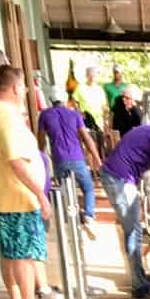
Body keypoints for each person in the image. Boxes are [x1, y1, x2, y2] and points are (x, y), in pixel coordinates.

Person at [0, 63, 52, 299]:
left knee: (8, 250)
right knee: (24, 253)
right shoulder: (6, 116)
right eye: (24, 87)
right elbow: (16, 161)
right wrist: (40, 194)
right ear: (15, 87)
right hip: (17, 196)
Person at [99, 116, 150, 299]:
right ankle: (140, 288)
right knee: (134, 232)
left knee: (134, 231)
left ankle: (142, 280)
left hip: (119, 176)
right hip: (120, 179)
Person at [38, 96, 100, 240]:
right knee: (88, 188)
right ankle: (89, 216)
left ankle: (68, 223)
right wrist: (97, 159)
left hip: (60, 160)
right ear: (64, 100)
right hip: (77, 158)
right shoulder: (75, 114)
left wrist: (40, 158)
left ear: (51, 101)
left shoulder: (45, 115)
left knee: (63, 193)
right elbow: (86, 138)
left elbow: (41, 141)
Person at [72, 65, 107, 156]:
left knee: (101, 145)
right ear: (86, 76)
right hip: (87, 121)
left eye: (94, 75)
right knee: (91, 145)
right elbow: (74, 101)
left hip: (99, 122)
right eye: (90, 75)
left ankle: (100, 167)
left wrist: (105, 120)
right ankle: (93, 169)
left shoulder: (99, 89)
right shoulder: (80, 87)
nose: (92, 77)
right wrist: (79, 112)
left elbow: (104, 106)